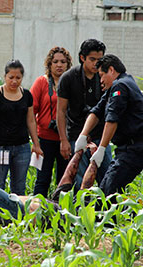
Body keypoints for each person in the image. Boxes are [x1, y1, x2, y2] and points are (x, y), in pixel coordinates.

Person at [75, 54, 143, 197]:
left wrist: (101, 149)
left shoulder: (120, 86)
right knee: (107, 190)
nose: (100, 81)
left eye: (101, 75)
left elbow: (112, 119)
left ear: (111, 70)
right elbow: (97, 112)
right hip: (128, 150)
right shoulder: (118, 85)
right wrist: (83, 135)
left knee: (109, 192)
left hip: (134, 149)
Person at [57, 39, 111, 192]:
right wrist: (63, 140)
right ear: (82, 58)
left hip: (101, 137)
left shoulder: (105, 77)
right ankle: (78, 212)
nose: (96, 64)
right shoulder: (68, 78)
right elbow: (61, 111)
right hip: (76, 135)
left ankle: (105, 214)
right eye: (92, 59)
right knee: (78, 180)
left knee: (107, 178)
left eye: (99, 60)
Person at [0, 59, 43, 195]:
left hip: (22, 148)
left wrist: (36, 144)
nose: (14, 81)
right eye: (11, 77)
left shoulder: (27, 95)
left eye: (18, 78)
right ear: (5, 77)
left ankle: (17, 215)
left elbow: (31, 121)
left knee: (19, 187)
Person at [30, 47, 72, 197]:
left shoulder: (71, 82)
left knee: (64, 180)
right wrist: (35, 141)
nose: (59, 65)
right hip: (45, 139)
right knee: (42, 179)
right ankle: (36, 212)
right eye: (55, 62)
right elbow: (31, 112)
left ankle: (60, 213)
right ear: (49, 64)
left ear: (68, 64)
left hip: (66, 140)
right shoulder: (41, 82)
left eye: (63, 62)